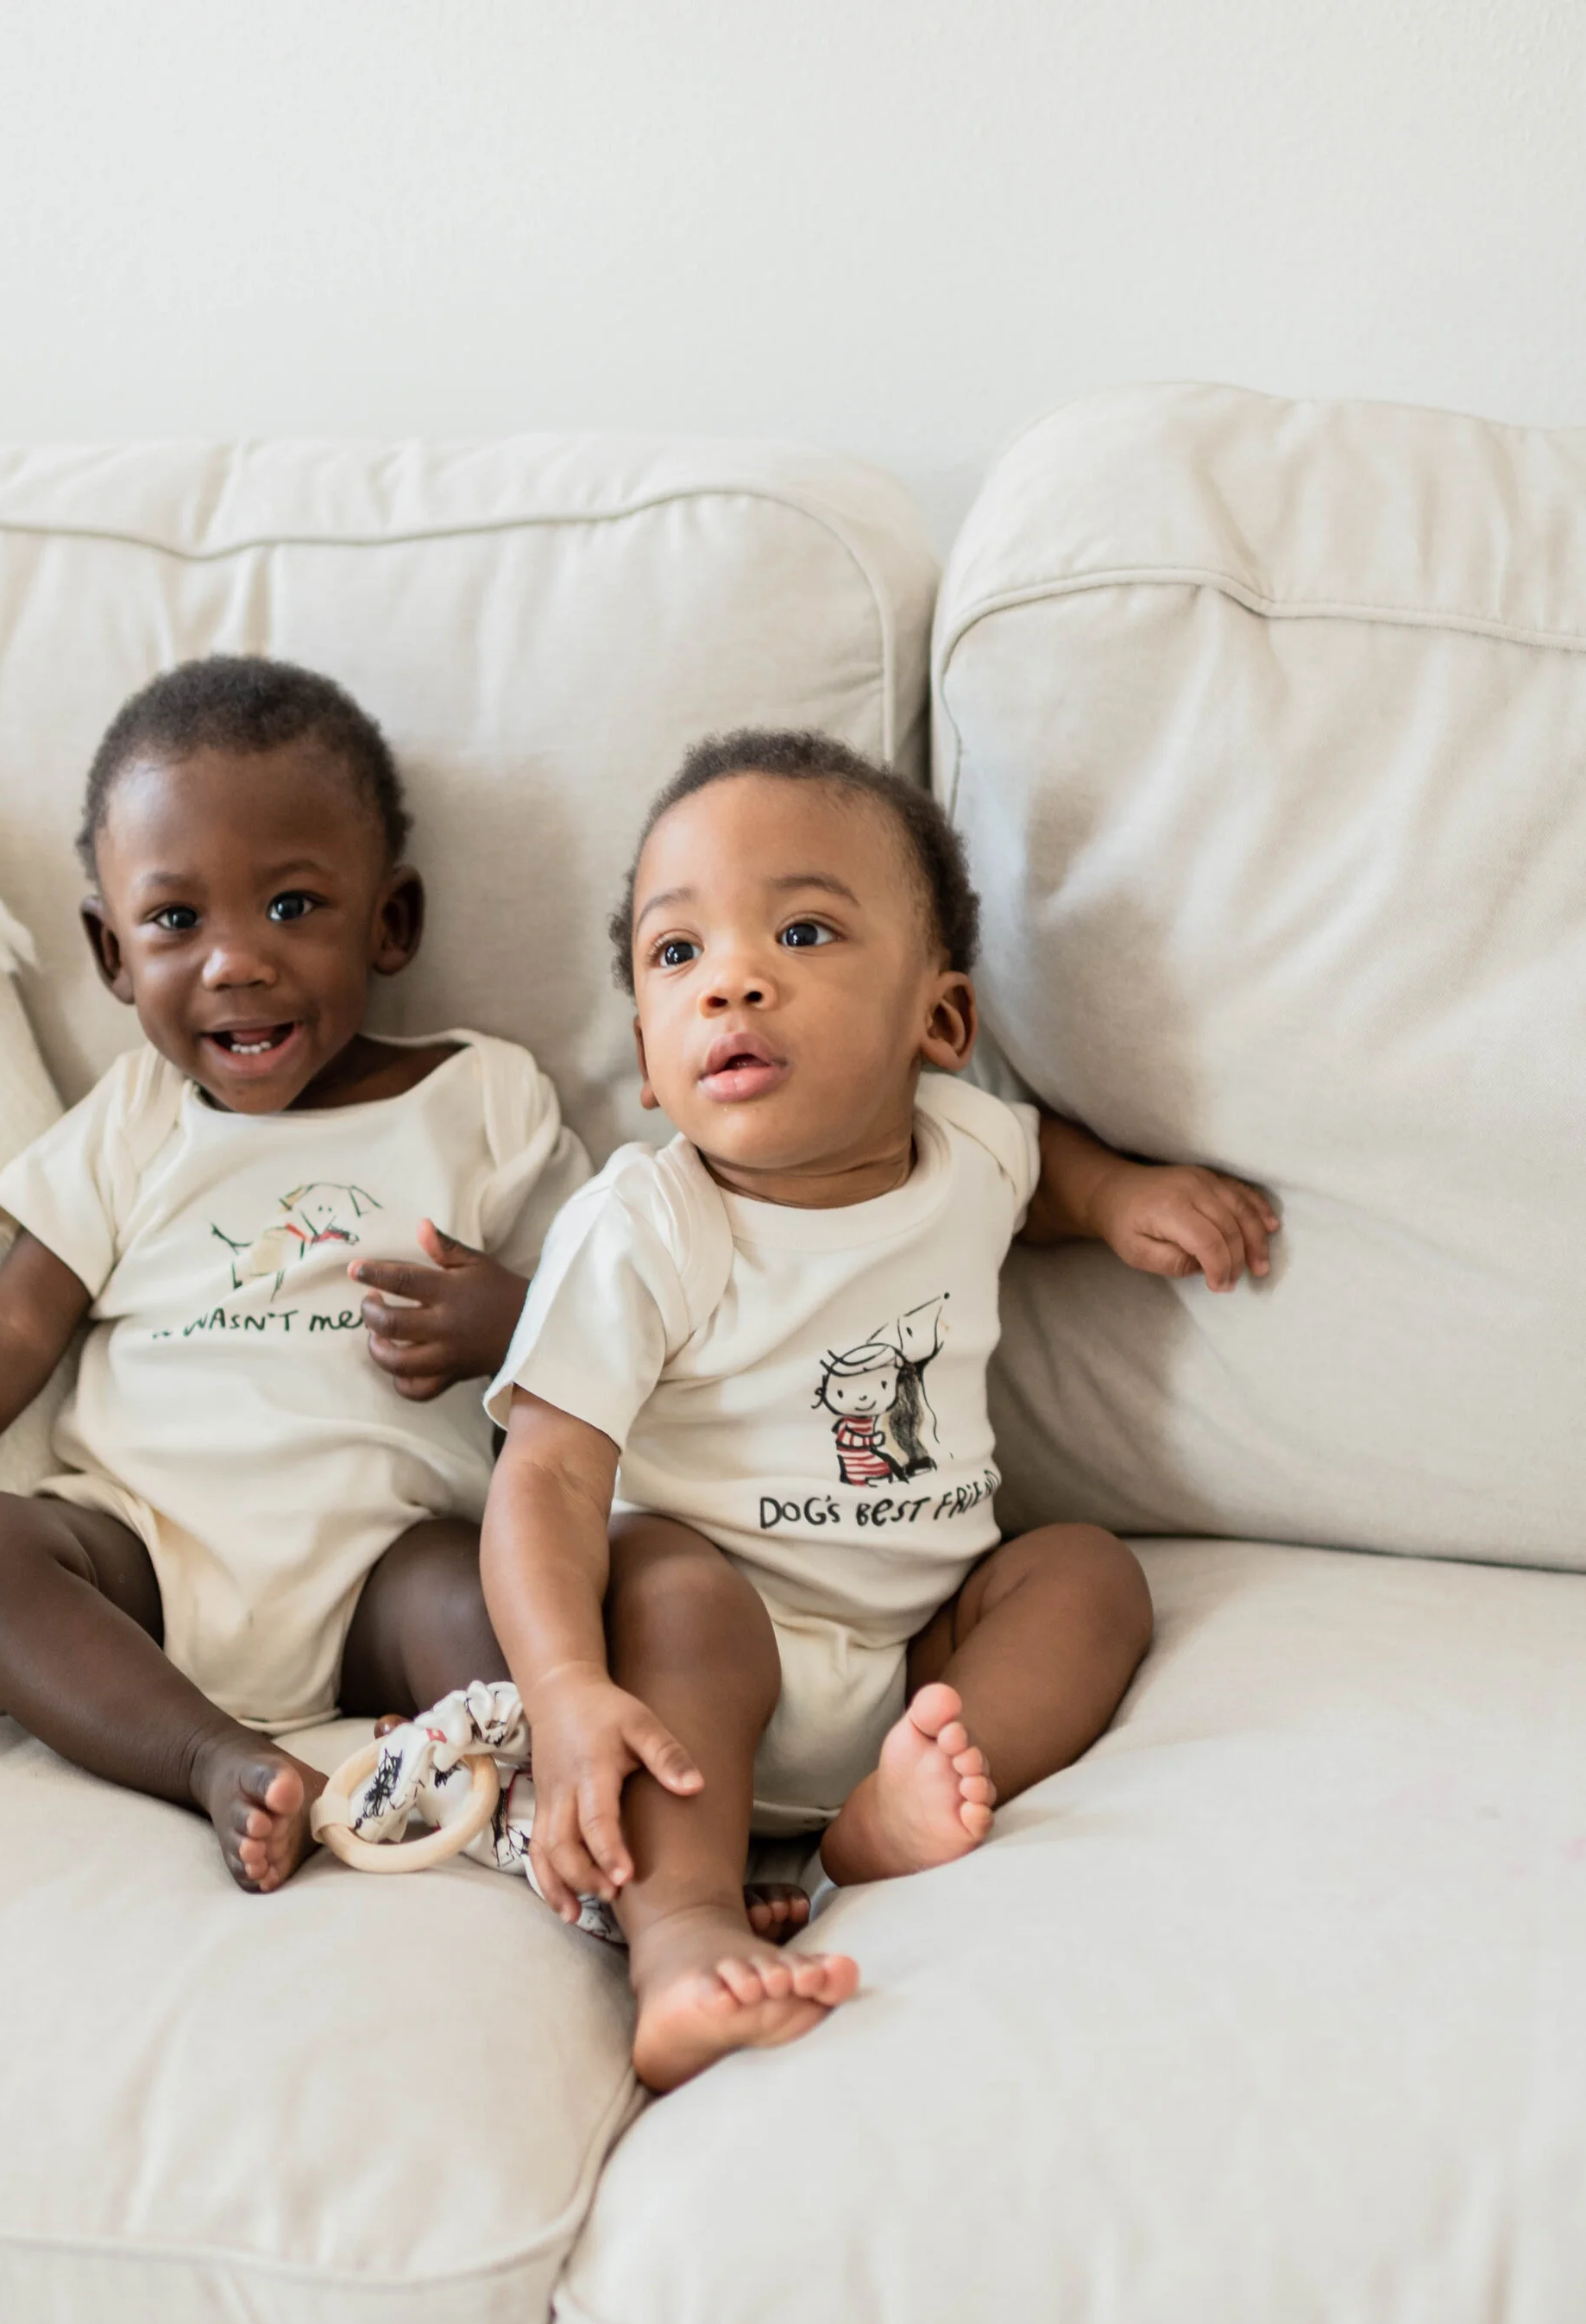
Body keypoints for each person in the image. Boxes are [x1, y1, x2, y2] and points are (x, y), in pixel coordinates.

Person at [481, 729, 1279, 2089]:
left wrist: (1124, 1200)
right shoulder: (646, 1228)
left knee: (1087, 1575)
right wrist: (564, 1693)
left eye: (800, 932)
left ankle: (887, 1815)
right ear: (645, 1050)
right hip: (701, 1669)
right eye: (678, 957)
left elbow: (1045, 1177)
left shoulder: (969, 1146)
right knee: (668, 1575)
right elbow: (547, 1476)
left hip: (920, 1649)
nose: (731, 979)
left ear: (941, 1024)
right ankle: (682, 1936)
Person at [0, 656, 586, 1894]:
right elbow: (10, 1320)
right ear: (109, 953)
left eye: (294, 907)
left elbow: (610, 1326)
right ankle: (218, 1760)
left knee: (510, 1608)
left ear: (391, 921)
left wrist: (508, 1321)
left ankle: (603, 1834)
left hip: (388, 1563)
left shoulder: (483, 1098)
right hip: (144, 1555)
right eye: (175, 921)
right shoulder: (138, 1114)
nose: (236, 963)